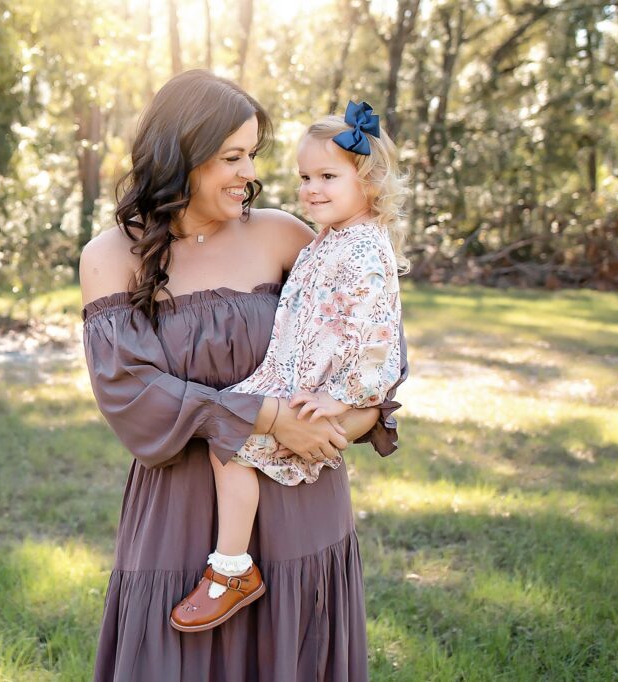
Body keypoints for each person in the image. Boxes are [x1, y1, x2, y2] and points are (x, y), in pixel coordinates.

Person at [80, 70, 408, 681]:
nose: (251, 173)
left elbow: (366, 336)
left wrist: (355, 419)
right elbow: (130, 393)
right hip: (180, 511)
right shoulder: (108, 257)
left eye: (252, 155)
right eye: (233, 156)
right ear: (182, 157)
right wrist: (264, 414)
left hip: (300, 506)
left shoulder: (284, 234)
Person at [169, 100, 407, 634]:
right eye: (304, 177)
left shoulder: (365, 248)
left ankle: (231, 570)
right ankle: (232, 567)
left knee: (231, 446)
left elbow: (374, 334)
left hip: (324, 389)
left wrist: (345, 399)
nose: (311, 188)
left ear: (368, 182)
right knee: (230, 435)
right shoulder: (332, 238)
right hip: (295, 376)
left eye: (328, 176)